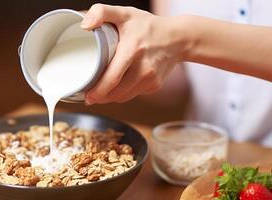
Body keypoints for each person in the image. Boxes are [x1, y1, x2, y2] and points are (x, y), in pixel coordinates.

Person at [81, 2, 272, 147]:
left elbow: (179, 41)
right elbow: (175, 84)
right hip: (198, 154)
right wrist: (124, 61)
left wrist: (187, 38)